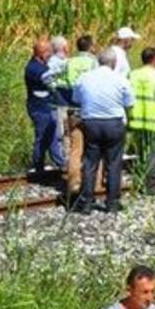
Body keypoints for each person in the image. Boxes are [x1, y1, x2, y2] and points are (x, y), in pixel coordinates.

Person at [73, 48, 135, 214]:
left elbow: (76, 99)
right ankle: (112, 202)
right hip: (113, 122)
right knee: (114, 163)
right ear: (114, 63)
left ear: (97, 61)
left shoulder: (84, 78)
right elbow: (129, 102)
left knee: (90, 162)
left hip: (91, 122)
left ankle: (86, 201)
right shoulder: (120, 79)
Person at [127, 48, 155, 193]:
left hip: (136, 121)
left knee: (141, 153)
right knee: (153, 155)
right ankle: (150, 186)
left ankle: (139, 180)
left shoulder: (132, 75)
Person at [64, 35, 100, 199]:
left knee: (75, 147)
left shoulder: (69, 62)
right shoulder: (94, 62)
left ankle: (73, 182)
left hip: (73, 108)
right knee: (94, 147)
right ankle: (95, 183)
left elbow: (53, 78)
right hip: (90, 109)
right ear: (91, 46)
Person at [25, 38, 65, 177]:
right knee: (42, 137)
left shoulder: (42, 64)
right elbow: (49, 79)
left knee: (52, 136)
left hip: (46, 107)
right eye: (49, 52)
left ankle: (61, 163)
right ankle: (38, 167)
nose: (51, 54)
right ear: (41, 53)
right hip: (39, 108)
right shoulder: (34, 68)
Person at [46, 36, 71, 163]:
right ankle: (62, 158)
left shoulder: (62, 60)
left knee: (65, 127)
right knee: (61, 127)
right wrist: (55, 89)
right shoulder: (55, 62)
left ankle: (66, 156)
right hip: (60, 98)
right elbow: (47, 78)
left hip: (65, 98)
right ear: (64, 48)